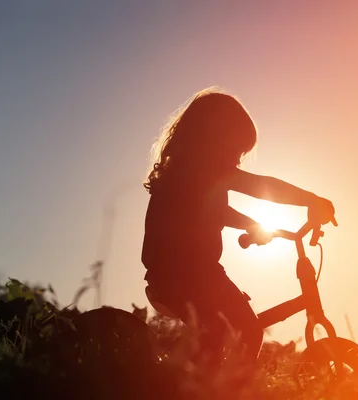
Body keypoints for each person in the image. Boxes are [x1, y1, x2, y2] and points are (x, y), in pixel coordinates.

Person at [141, 87, 335, 367]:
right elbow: (257, 186)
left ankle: (200, 382)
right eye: (236, 150)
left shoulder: (191, 174)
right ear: (214, 138)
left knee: (224, 335)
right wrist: (310, 200)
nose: (237, 160)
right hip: (183, 275)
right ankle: (209, 389)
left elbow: (215, 211)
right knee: (246, 332)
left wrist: (254, 225)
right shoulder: (197, 169)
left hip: (192, 274)